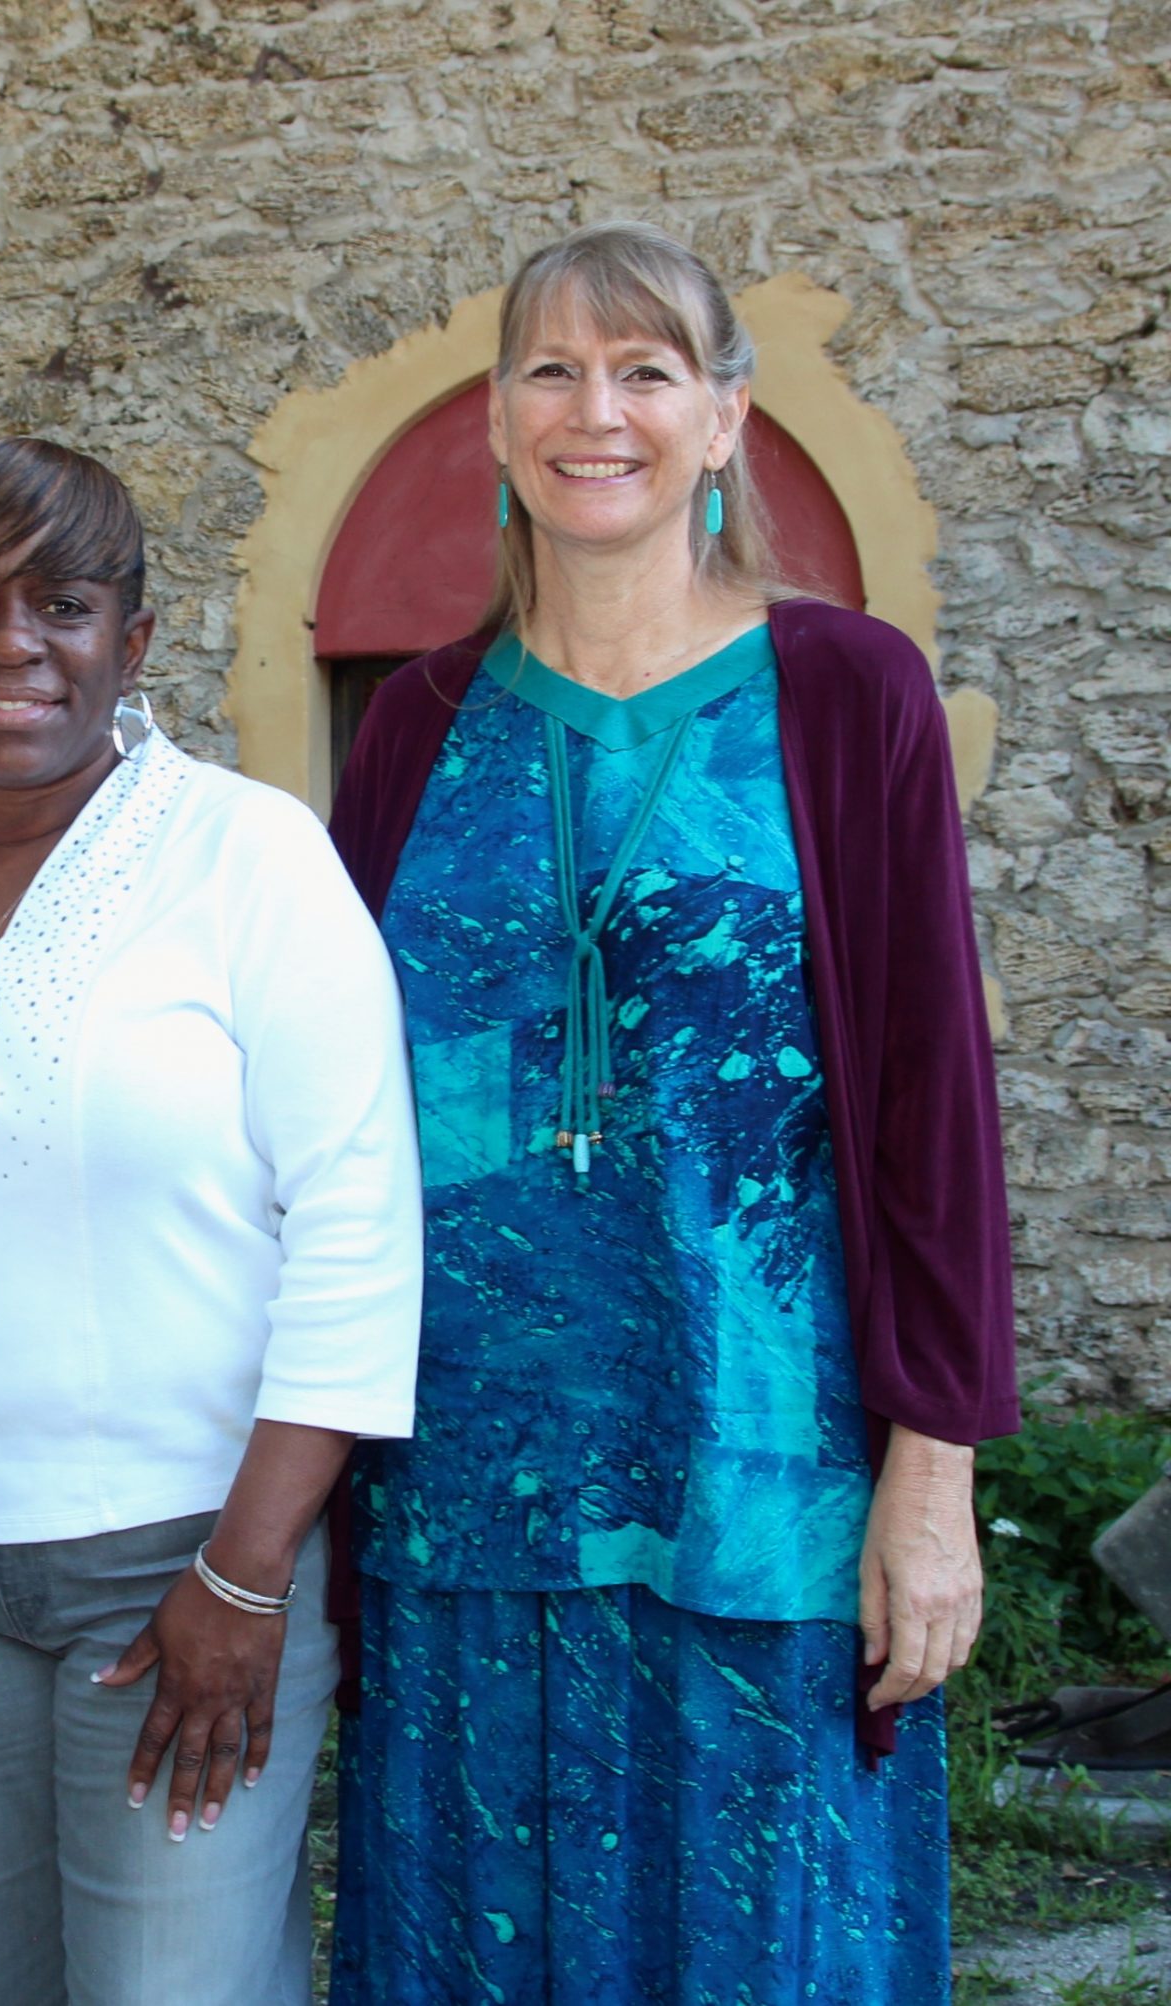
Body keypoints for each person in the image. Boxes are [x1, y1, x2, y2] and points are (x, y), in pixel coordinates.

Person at [323, 221, 1017, 2003]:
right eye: (551, 369)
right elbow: (309, 1087)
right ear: (493, 420)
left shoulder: (849, 695)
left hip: (759, 1473)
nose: (594, 410)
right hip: (462, 1492)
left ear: (725, 420)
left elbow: (934, 1100)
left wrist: (929, 1476)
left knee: (761, 1945)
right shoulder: (413, 728)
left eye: (644, 371)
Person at [0, 437, 423, 2004]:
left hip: (184, 1564)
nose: (12, 643)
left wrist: (248, 1572)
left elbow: (358, 1220)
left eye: (62, 603)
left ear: (132, 642)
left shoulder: (253, 858)